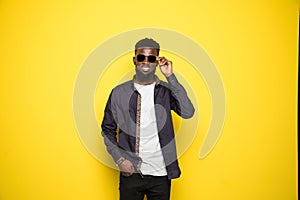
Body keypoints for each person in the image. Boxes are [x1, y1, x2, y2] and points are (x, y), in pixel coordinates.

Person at [101, 38, 195, 200]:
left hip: (161, 174)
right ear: (134, 60)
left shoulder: (165, 91)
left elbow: (188, 112)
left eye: (151, 58)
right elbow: (107, 129)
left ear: (157, 61)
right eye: (141, 57)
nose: (146, 62)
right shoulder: (119, 93)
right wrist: (120, 159)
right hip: (132, 173)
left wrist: (170, 76)